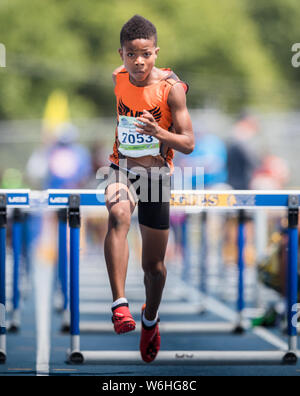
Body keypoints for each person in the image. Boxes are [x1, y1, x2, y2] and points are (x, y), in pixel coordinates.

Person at [104, 15, 194, 363]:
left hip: (157, 175)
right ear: (121, 54)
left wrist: (160, 134)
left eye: (145, 54)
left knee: (153, 266)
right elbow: (126, 71)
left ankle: (150, 319)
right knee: (118, 215)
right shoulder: (118, 76)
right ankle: (120, 306)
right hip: (121, 168)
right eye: (130, 54)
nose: (138, 62)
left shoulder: (172, 88)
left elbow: (188, 143)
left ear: (156, 52)